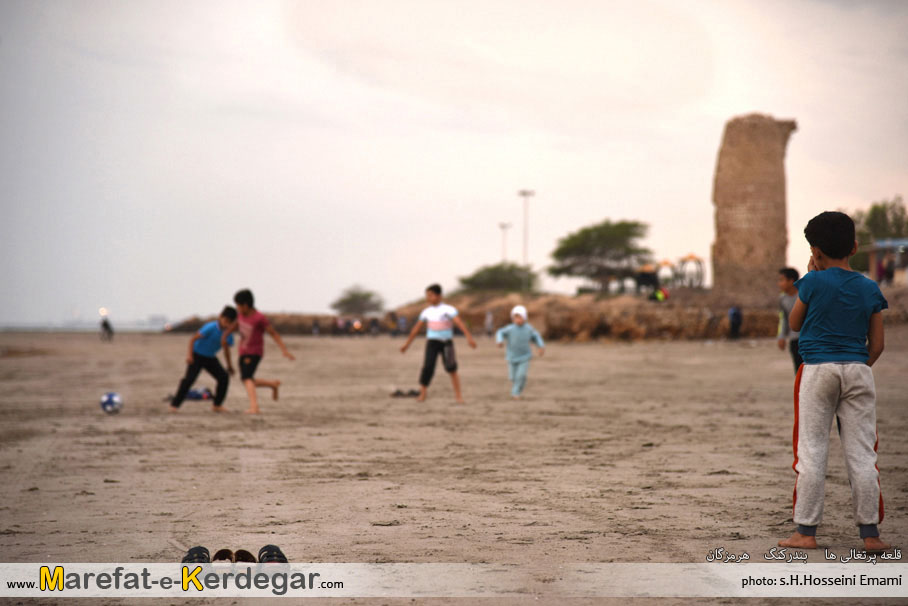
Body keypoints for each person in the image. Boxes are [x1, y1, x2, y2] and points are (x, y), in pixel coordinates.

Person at [778, 211, 889, 553]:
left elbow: (795, 324)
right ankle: (870, 534)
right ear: (855, 246)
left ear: (815, 252)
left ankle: (806, 532)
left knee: (812, 450)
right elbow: (878, 344)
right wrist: (856, 365)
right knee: (862, 453)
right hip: (858, 370)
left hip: (817, 370)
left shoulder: (812, 281)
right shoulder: (870, 287)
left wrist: (812, 277)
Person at [400, 284, 477, 403]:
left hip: (447, 343)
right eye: (427, 295)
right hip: (432, 343)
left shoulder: (448, 309)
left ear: (439, 296)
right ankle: (423, 394)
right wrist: (407, 344)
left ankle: (458, 396)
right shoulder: (426, 312)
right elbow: (416, 329)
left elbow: (459, 323)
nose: (428, 298)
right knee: (428, 367)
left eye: (431, 295)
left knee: (452, 368)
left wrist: (469, 337)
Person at [230, 289, 295, 414]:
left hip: (254, 352)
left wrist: (284, 350)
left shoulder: (259, 318)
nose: (237, 308)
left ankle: (254, 407)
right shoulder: (240, 316)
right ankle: (272, 384)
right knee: (246, 379)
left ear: (245, 305)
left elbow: (273, 333)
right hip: (242, 351)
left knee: (247, 378)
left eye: (238, 305)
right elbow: (231, 328)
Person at [169, 306, 237, 413]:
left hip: (210, 358)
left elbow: (226, 351)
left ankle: (217, 405)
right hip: (197, 355)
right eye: (225, 321)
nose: (226, 324)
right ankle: (174, 405)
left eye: (230, 323)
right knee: (189, 380)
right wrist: (189, 355)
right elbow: (192, 339)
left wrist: (229, 366)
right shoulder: (210, 327)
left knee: (224, 377)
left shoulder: (228, 334)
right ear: (220, 317)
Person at [495, 305, 545, 399]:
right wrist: (499, 340)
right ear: (512, 318)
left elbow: (536, 337)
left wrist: (541, 346)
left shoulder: (529, 329)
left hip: (525, 357)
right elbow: (500, 332)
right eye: (516, 317)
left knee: (521, 375)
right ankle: (518, 386)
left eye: (520, 317)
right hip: (511, 356)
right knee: (513, 377)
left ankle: (515, 393)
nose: (518, 319)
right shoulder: (510, 329)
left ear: (525, 317)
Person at [776, 268, 803, 374]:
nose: (779, 284)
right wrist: (781, 336)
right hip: (794, 340)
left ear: (791, 281)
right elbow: (784, 319)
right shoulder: (782, 299)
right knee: (798, 370)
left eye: (781, 280)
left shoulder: (803, 295)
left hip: (808, 339)